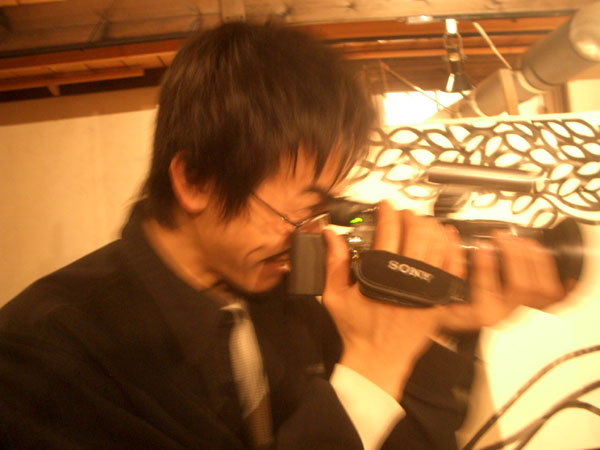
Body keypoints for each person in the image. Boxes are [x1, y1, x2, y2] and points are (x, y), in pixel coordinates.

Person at [0, 22, 566, 450]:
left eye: (329, 209)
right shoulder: (44, 356)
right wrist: (372, 362)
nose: (313, 237)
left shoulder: (284, 299)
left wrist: (436, 331)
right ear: (197, 180)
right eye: (304, 210)